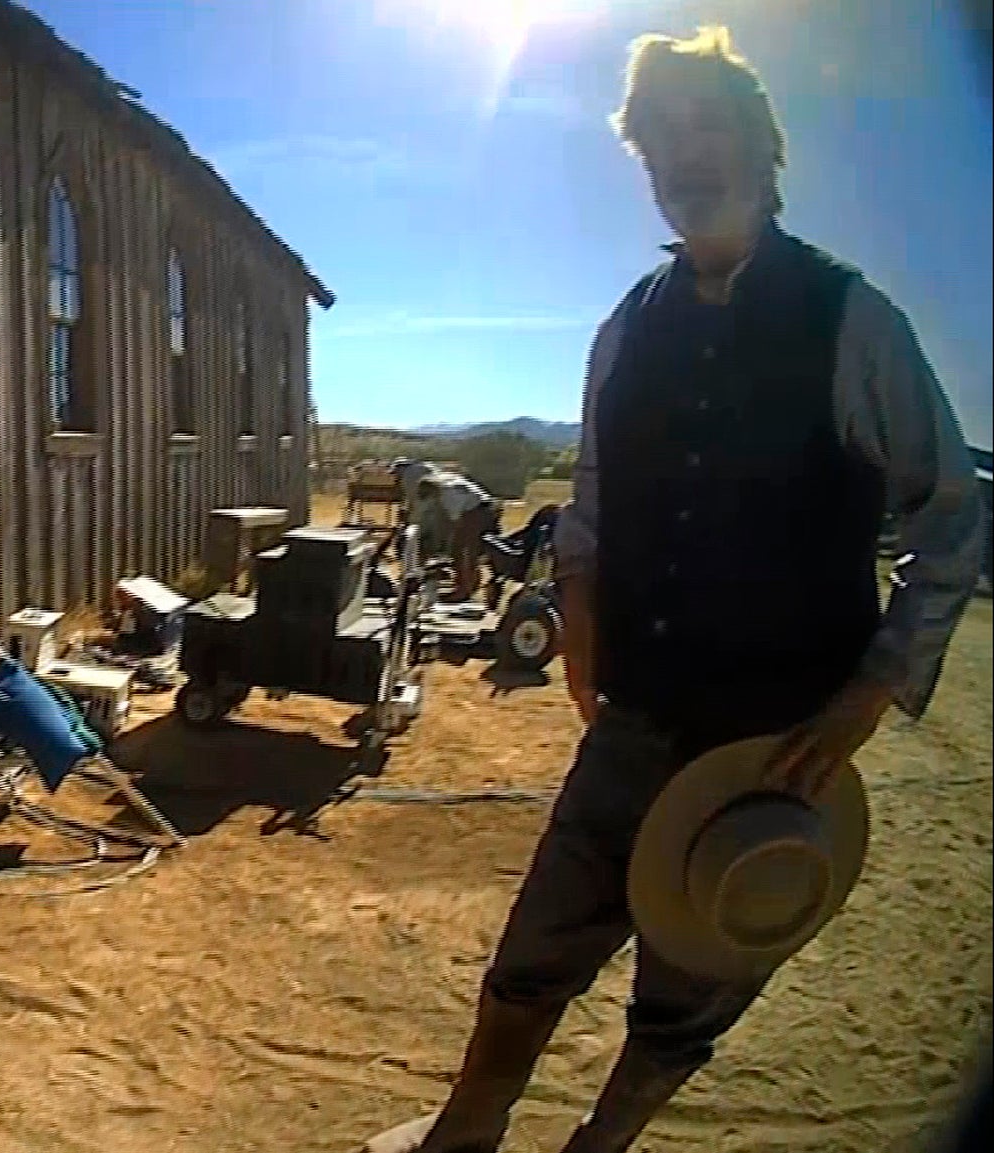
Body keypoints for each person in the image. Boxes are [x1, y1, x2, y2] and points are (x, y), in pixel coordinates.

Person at [365, 26, 983, 1153]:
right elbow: (591, 496)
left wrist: (870, 693)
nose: (680, 161)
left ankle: (598, 1145)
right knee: (531, 956)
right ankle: (466, 1130)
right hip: (636, 719)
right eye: (656, 145)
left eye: (703, 130)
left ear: (758, 144)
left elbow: (952, 515)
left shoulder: (851, 323)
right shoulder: (626, 328)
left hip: (775, 741)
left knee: (690, 986)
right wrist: (580, 599)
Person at [392, 458, 500, 602]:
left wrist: (447, 542)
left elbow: (457, 521)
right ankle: (467, 586)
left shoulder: (446, 494)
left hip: (476, 511)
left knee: (463, 551)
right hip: (485, 506)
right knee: (466, 551)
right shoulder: (441, 479)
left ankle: (463, 590)